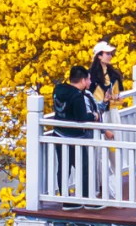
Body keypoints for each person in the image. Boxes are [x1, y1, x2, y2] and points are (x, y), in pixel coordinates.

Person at [52, 64, 100, 200]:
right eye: (88, 79)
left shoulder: (58, 89)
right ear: (83, 80)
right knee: (84, 168)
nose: (90, 82)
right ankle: (87, 198)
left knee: (63, 168)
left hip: (58, 134)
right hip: (73, 138)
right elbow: (82, 118)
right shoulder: (77, 96)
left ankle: (65, 199)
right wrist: (94, 116)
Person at [90, 40, 124, 116]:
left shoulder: (114, 74)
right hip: (99, 112)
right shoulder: (91, 76)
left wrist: (116, 99)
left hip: (113, 111)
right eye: (107, 54)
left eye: (110, 54)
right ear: (99, 56)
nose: (110, 56)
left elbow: (120, 93)